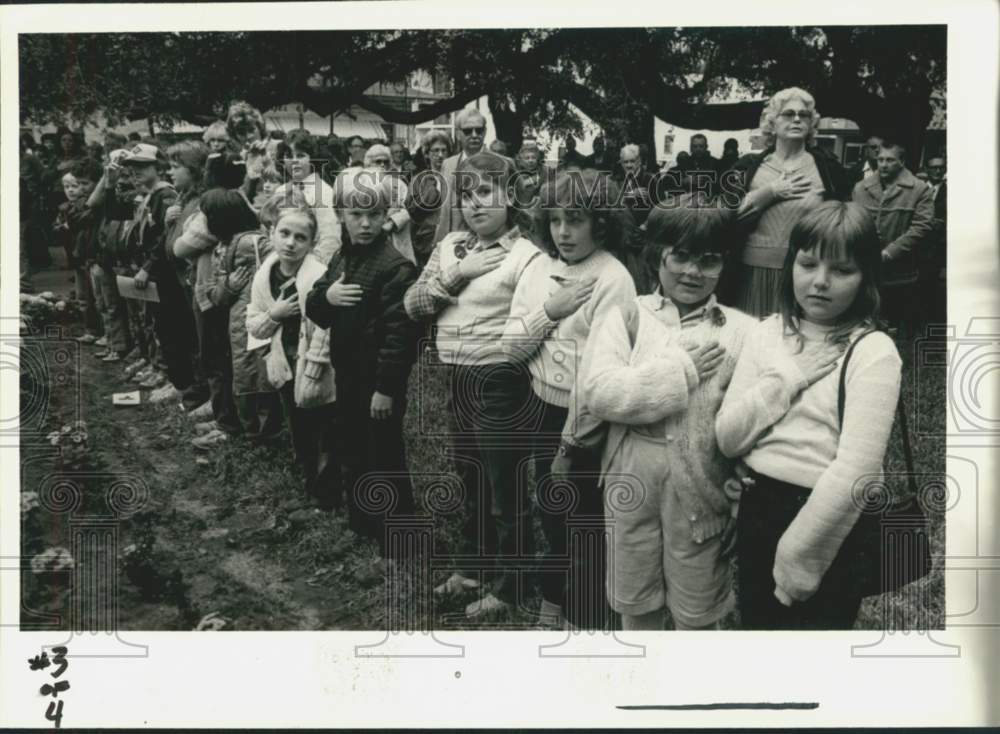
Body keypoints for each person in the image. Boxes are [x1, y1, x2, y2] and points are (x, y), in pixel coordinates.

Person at [566, 195, 756, 630]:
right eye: (681, 256)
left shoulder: (743, 331)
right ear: (657, 255)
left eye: (709, 260)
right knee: (637, 604)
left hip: (704, 490)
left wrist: (739, 488)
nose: (692, 271)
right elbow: (601, 392)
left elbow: (749, 421)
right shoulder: (627, 314)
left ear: (726, 263)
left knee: (698, 612)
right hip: (630, 481)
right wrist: (681, 371)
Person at [715, 200, 902, 630]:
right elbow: (727, 436)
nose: (820, 282)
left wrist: (798, 555)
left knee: (817, 648)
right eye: (808, 263)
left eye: (841, 270)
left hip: (829, 519)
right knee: (761, 640)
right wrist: (788, 378)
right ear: (790, 265)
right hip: (759, 506)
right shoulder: (766, 335)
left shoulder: (872, 350)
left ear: (865, 277)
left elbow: (856, 469)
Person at [404, 151, 542, 619]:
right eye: (466, 194)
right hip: (455, 374)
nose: (475, 204)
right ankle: (473, 566)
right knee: (470, 476)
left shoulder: (526, 256)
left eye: (486, 192)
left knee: (504, 485)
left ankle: (513, 583)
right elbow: (413, 303)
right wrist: (456, 276)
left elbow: (531, 327)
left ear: (509, 195)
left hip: (500, 380)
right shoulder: (451, 248)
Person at [502, 169, 637, 629]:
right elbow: (511, 346)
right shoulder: (539, 268)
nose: (563, 231)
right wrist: (549, 312)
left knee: (587, 521)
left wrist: (570, 444)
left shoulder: (612, 277)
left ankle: (590, 618)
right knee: (553, 515)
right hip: (541, 406)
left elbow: (601, 370)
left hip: (587, 419)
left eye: (575, 220)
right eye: (555, 219)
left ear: (600, 222)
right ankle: (554, 603)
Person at [305, 169, 420, 553]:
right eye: (356, 214)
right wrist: (329, 299)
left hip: (378, 382)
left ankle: (398, 535)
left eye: (374, 214)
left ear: (386, 213)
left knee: (383, 455)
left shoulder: (395, 267)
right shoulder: (342, 257)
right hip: (348, 375)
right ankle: (363, 523)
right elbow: (316, 306)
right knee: (353, 447)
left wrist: (386, 389)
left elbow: (400, 338)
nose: (366, 223)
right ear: (340, 214)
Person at [247, 197, 339, 508]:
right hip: (283, 361)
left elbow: (326, 330)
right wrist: (275, 313)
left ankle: (327, 490)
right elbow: (254, 323)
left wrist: (314, 366)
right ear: (272, 233)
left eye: (301, 238)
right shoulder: (265, 273)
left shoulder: (317, 275)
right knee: (297, 423)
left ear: (312, 243)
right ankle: (308, 478)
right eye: (284, 233)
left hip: (315, 363)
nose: (290, 243)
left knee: (323, 423)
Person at [726, 87, 850, 317]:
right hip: (751, 272)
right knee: (753, 336)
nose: (796, 119)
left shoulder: (828, 168)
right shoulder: (748, 166)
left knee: (795, 339)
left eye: (803, 115)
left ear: (812, 123)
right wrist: (771, 192)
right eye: (788, 113)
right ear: (772, 122)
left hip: (805, 273)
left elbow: (842, 221)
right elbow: (727, 215)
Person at [207, 190, 283, 447]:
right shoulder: (229, 244)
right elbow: (216, 295)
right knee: (250, 371)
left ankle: (259, 434)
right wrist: (228, 285)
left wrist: (226, 285)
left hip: (249, 319)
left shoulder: (247, 243)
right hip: (244, 319)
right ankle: (256, 431)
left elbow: (281, 252)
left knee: (253, 371)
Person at [193, 188, 263, 449]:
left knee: (236, 372)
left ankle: (237, 428)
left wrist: (227, 288)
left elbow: (219, 295)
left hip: (237, 320)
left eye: (207, 216)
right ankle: (228, 420)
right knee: (225, 369)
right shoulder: (228, 244)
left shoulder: (241, 246)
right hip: (228, 317)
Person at [850, 140, 933, 340]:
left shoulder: (919, 189)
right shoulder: (861, 188)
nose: (884, 164)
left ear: (902, 161)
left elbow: (922, 226)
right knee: (864, 316)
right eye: (880, 160)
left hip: (900, 271)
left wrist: (890, 252)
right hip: (866, 266)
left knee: (892, 319)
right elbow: (852, 219)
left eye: (890, 160)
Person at [274, 129, 341, 265]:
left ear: (312, 158)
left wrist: (312, 273)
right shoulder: (281, 191)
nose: (294, 161)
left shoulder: (323, 192)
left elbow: (330, 240)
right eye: (289, 156)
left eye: (300, 155)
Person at [433, 108, 488, 245]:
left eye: (479, 130)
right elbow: (444, 210)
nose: (474, 135)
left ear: (485, 132)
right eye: (468, 131)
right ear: (458, 134)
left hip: (485, 245)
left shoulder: (502, 164)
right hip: (451, 242)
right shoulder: (448, 164)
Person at [364, 146, 416, 265]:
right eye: (378, 161)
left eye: (385, 162)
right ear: (368, 164)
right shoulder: (362, 184)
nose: (382, 165)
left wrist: (392, 222)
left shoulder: (399, 184)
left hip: (396, 238)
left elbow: (408, 209)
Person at [408, 130, 452, 267]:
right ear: (427, 154)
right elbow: (412, 212)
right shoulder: (418, 180)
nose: (440, 155)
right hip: (426, 243)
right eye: (435, 151)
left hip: (451, 241)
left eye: (444, 151)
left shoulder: (456, 178)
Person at [921, 156, 947, 326]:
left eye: (941, 167)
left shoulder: (950, 192)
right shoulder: (919, 189)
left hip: (938, 247)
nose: (937, 171)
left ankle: (931, 320)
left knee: (933, 284)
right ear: (927, 169)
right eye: (933, 167)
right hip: (917, 245)